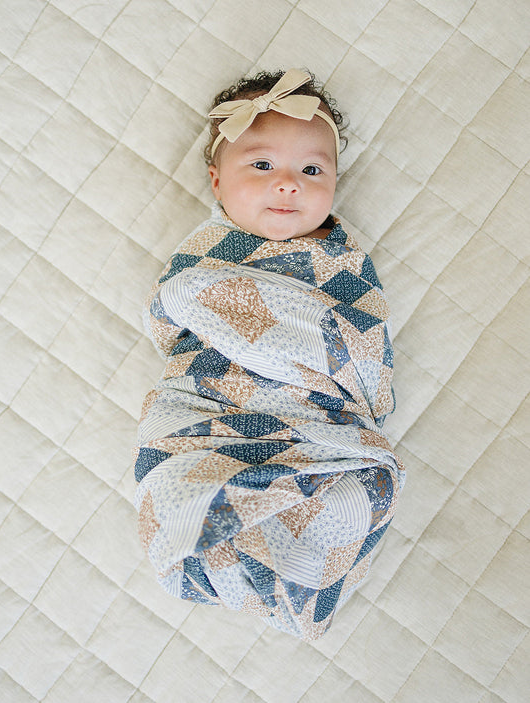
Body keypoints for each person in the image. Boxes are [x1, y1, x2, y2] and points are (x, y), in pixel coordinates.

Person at [134, 68, 405, 640]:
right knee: (181, 485)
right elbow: (174, 307)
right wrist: (203, 304)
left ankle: (291, 575)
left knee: (355, 493)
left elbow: (363, 337)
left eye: (312, 170)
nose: (288, 185)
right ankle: (211, 549)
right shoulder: (208, 253)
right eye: (261, 166)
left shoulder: (341, 260)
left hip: (313, 416)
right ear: (217, 181)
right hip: (208, 408)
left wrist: (362, 396)